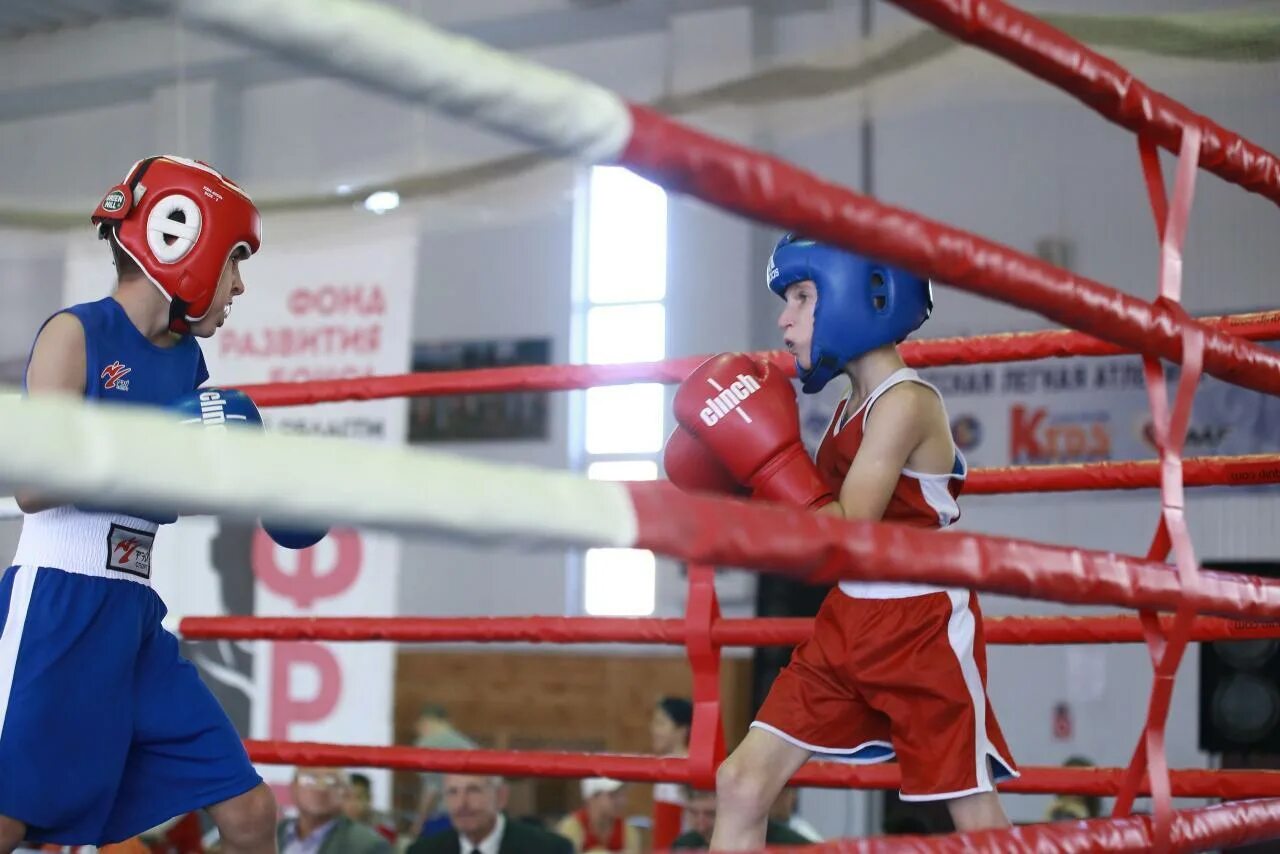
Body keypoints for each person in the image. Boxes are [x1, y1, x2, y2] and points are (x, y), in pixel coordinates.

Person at [667, 234, 1018, 849]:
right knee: (742, 782)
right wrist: (743, 485)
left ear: (863, 295)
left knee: (971, 816)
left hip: (919, 626)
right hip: (847, 620)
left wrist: (770, 464)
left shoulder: (906, 402)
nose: (784, 317)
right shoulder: (844, 407)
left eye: (802, 296)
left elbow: (847, 528)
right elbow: (814, 528)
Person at [0, 156, 283, 853]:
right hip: (56, 609)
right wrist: (156, 444)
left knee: (249, 814)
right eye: (234, 261)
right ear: (187, 243)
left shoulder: (186, 361)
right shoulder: (75, 333)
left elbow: (171, 481)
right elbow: (32, 484)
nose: (240, 284)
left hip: (132, 613)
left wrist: (272, 483)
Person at [407, 774, 572, 854]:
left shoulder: (549, 850)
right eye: (452, 792)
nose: (462, 803)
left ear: (501, 797)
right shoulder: (422, 852)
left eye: (473, 790)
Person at [275, 768, 390, 854]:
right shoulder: (270, 833)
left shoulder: (368, 846)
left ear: (345, 792)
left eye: (331, 781)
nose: (320, 788)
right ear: (293, 787)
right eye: (309, 779)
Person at [670, 788, 811, 849]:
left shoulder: (791, 846)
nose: (701, 825)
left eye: (711, 814)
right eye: (693, 813)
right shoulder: (684, 845)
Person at [649, 696, 691, 850]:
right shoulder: (663, 765)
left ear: (681, 730)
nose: (654, 729)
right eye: (654, 723)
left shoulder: (691, 769)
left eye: (661, 723)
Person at [554, 779, 641, 854]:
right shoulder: (571, 828)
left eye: (623, 794)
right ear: (592, 797)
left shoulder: (628, 831)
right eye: (613, 795)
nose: (622, 801)